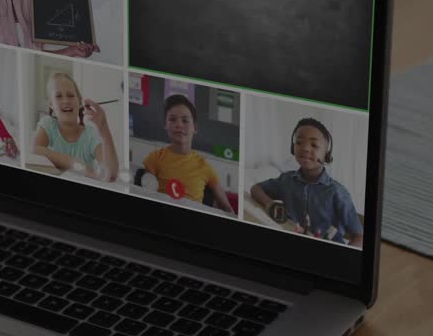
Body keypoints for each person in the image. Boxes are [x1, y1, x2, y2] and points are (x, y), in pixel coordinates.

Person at [249, 117, 364, 247]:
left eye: (314, 145)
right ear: (292, 147)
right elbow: (256, 188)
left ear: (326, 154)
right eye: (299, 142)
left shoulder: (338, 192)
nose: (305, 148)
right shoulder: (286, 180)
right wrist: (269, 204)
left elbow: (359, 236)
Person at [137, 95, 235, 216]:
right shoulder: (155, 158)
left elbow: (228, 210)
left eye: (185, 120)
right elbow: (145, 194)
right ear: (165, 125)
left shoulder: (205, 167)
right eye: (172, 119)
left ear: (195, 128)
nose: (179, 124)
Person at [32, 72, 118, 181]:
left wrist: (103, 127)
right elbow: (35, 149)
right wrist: (74, 163)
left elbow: (111, 174)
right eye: (58, 96)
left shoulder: (91, 135)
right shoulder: (48, 124)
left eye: (71, 95)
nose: (66, 101)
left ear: (80, 103)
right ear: (51, 104)